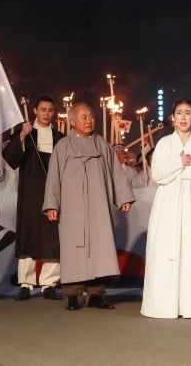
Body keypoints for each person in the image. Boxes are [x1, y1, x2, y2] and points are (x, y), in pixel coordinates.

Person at [43, 102, 135, 310]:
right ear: (72, 121)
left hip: (98, 206)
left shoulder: (102, 145)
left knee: (100, 248)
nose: (89, 120)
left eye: (91, 116)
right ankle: (73, 294)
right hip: (72, 207)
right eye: (83, 117)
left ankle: (96, 294)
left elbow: (116, 173)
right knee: (73, 248)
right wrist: (52, 204)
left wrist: (124, 198)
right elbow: (53, 178)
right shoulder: (63, 146)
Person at [141, 100, 191, 319]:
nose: (183, 117)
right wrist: (179, 162)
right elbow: (157, 174)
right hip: (169, 199)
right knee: (168, 247)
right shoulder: (164, 143)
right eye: (179, 113)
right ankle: (165, 305)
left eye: (188, 113)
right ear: (172, 118)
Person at [2, 96, 65, 301]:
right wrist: (21, 136)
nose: (47, 113)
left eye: (50, 110)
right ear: (35, 111)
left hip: (54, 192)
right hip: (30, 191)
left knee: (52, 237)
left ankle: (49, 283)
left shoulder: (60, 137)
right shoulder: (26, 133)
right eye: (43, 109)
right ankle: (26, 283)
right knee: (28, 234)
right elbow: (11, 159)